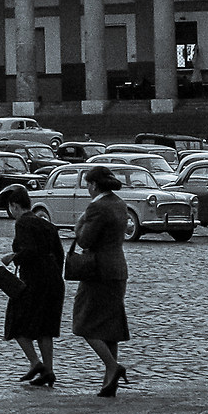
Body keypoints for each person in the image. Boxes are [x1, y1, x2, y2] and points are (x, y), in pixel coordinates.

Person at [70, 166, 133, 396]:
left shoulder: (97, 207)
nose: (87, 188)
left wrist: (79, 225)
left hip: (98, 272)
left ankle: (112, 367)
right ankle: (109, 382)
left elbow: (85, 241)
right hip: (118, 269)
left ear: (94, 185)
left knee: (85, 323)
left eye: (87, 184)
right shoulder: (119, 203)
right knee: (110, 327)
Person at [0, 184, 61, 387]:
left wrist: (13, 257)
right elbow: (59, 254)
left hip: (34, 281)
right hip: (53, 280)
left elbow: (30, 250)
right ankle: (49, 371)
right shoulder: (46, 224)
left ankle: (35, 362)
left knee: (16, 323)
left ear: (14, 206)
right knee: (45, 327)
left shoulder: (23, 223)